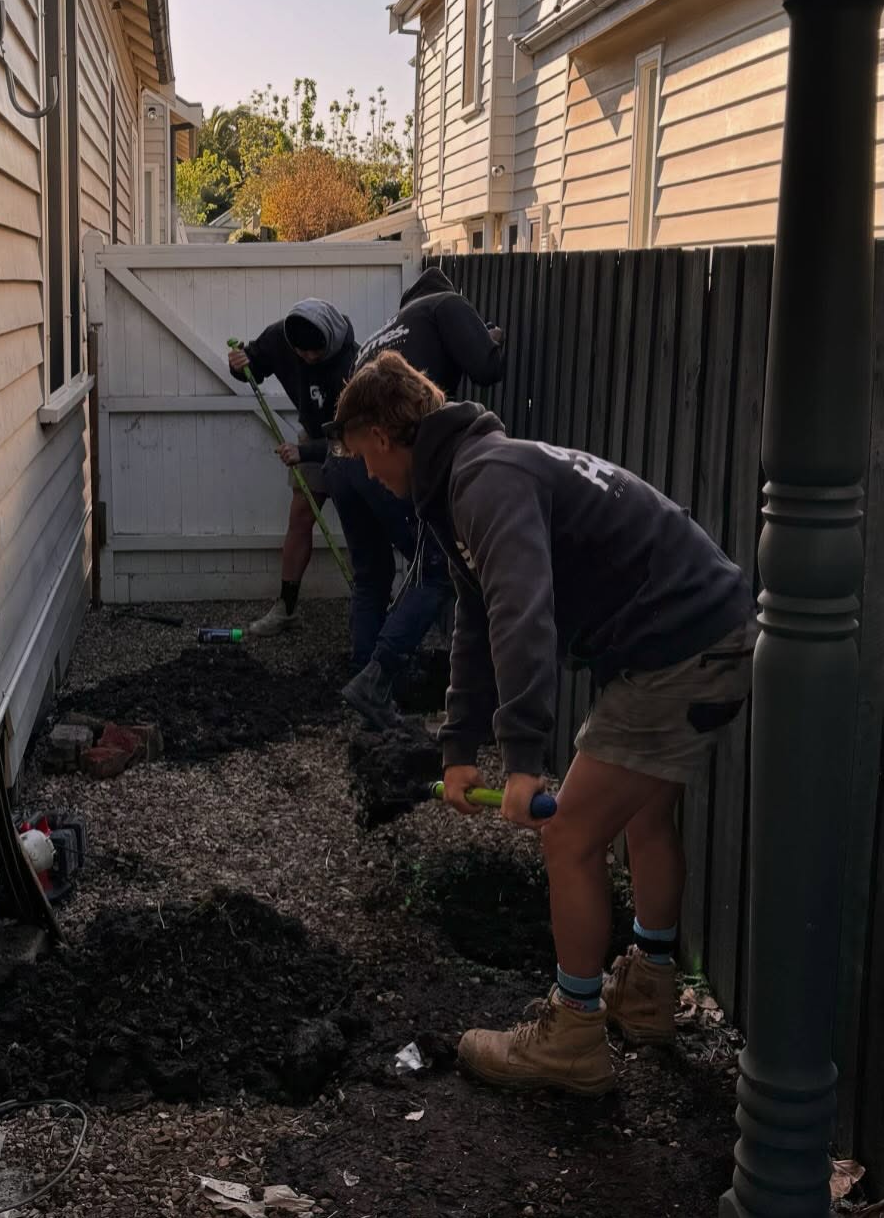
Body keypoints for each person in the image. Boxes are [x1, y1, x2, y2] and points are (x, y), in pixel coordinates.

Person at [329, 351, 755, 1095]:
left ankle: (571, 1035)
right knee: (645, 815)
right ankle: (649, 992)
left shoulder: (485, 480)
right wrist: (459, 748)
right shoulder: (478, 471)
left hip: (680, 651)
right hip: (699, 633)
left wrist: (521, 760)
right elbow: (475, 615)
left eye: (362, 454)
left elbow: (521, 613)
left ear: (386, 433)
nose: (365, 474)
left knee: (567, 836)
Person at [331, 268, 506, 731]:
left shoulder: (389, 332)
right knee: (437, 570)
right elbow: (488, 369)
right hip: (382, 454)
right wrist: (488, 337)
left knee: (371, 575)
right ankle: (376, 681)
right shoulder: (446, 306)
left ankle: (364, 684)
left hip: (344, 462)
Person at [227, 300, 355, 636]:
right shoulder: (279, 338)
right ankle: (286, 609)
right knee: (299, 518)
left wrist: (305, 452)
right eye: (302, 353)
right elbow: (249, 366)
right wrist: (240, 364)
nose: (308, 359)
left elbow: (353, 437)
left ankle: (369, 604)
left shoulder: (353, 361)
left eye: (316, 353)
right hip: (313, 436)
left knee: (360, 521)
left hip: (353, 446)